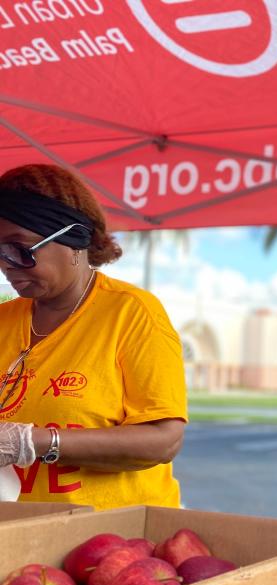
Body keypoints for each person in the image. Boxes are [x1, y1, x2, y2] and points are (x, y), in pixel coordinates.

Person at [0, 164, 187, 510]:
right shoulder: (4, 320)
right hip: (17, 533)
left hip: (112, 539)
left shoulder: (131, 313)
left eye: (19, 249)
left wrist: (38, 441)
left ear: (71, 240)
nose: (6, 265)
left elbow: (164, 441)